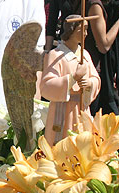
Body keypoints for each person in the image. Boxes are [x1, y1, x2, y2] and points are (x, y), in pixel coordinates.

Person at [40, 15, 100, 144]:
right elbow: (46, 85)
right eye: (82, 29)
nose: (86, 33)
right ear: (71, 30)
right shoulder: (55, 55)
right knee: (61, 143)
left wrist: (89, 83)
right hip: (62, 110)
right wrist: (73, 78)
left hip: (81, 109)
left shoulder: (85, 55)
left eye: (86, 29)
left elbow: (96, 78)